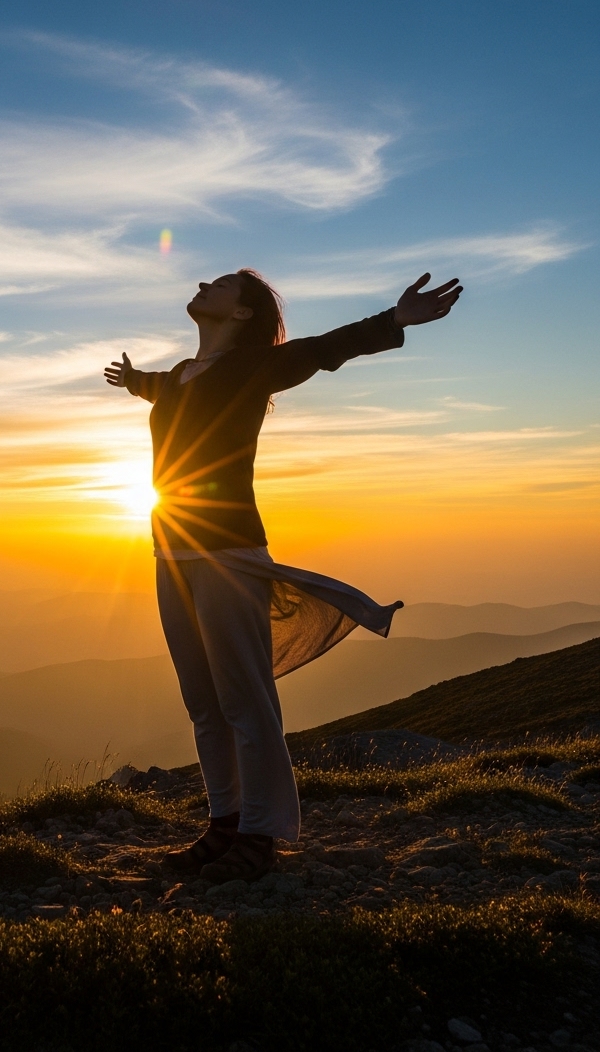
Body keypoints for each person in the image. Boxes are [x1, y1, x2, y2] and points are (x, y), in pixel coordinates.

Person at [104, 269, 462, 882]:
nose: (203, 286)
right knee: (204, 702)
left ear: (243, 315)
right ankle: (225, 824)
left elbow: (323, 350)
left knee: (244, 699)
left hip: (228, 552)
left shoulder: (252, 368)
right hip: (169, 553)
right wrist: (133, 380)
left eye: (219, 286)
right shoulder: (177, 379)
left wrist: (395, 320)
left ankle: (261, 835)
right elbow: (161, 390)